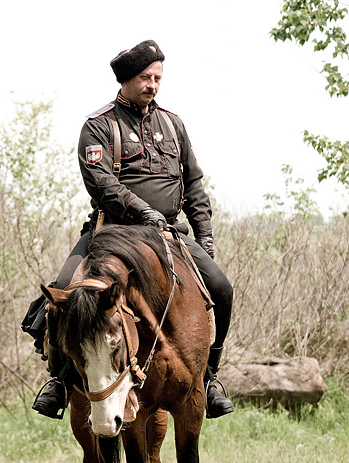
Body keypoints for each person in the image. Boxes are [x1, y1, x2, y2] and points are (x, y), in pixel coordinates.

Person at [27, 40, 234, 420]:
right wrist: (143, 210)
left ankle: (210, 377)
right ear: (125, 80)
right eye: (145, 78)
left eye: (157, 78)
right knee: (62, 294)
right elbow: (101, 183)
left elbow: (194, 183)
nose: (153, 85)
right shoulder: (99, 126)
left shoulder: (174, 124)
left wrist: (204, 235)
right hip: (112, 232)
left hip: (169, 234)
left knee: (221, 287)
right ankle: (58, 380)